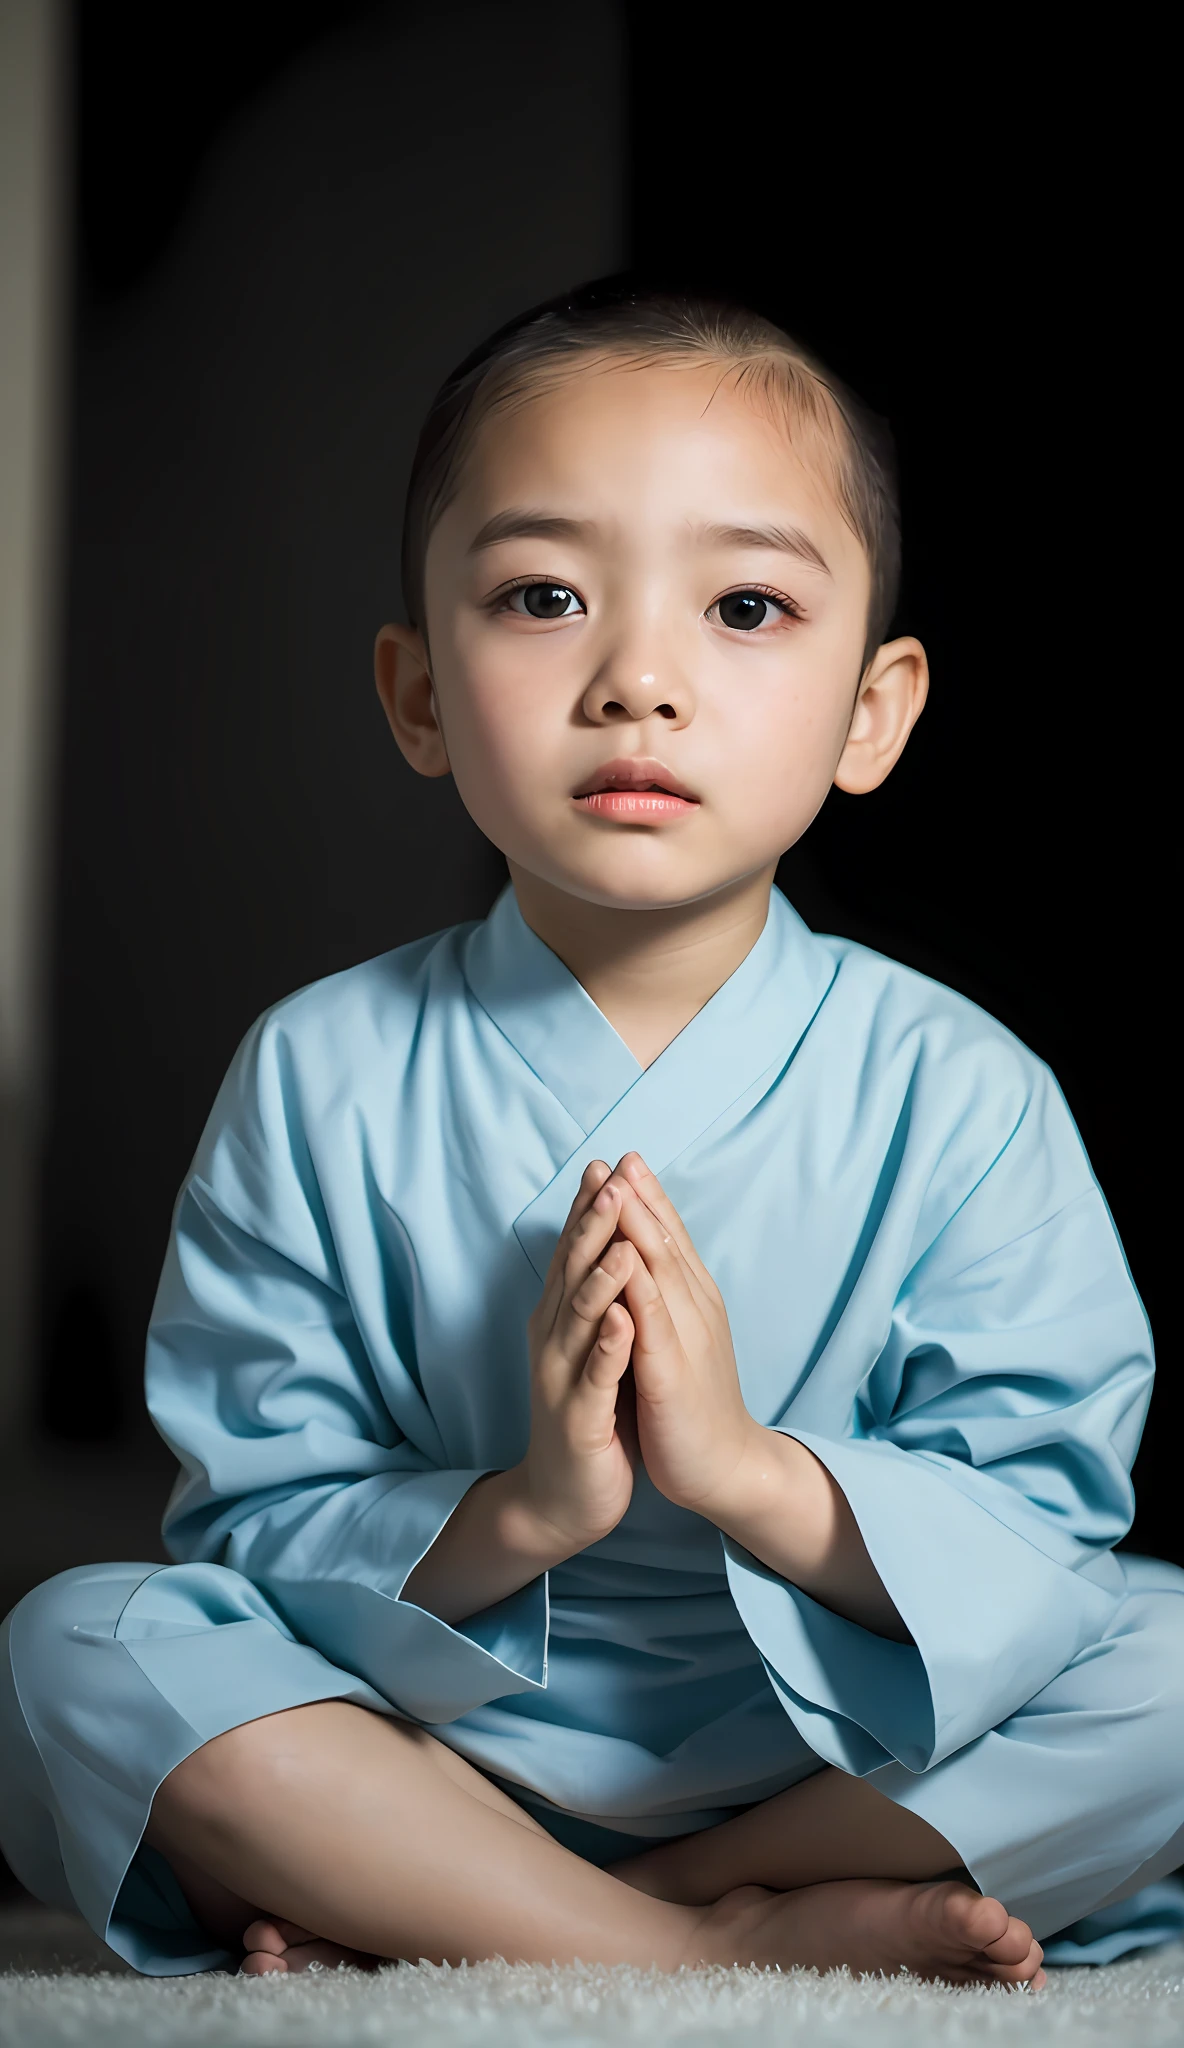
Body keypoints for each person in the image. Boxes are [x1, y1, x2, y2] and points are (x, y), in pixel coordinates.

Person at [3, 281, 1181, 1985]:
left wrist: (746, 1475)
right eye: (544, 596)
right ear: (416, 693)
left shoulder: (958, 1087)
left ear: (875, 711)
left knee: (1153, 1654)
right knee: (88, 1646)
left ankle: (487, 1909)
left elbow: (1043, 1520)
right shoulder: (319, 1070)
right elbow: (260, 1513)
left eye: (749, 606)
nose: (640, 679)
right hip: (433, 1748)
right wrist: (535, 1506)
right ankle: (697, 1950)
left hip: (838, 1759)